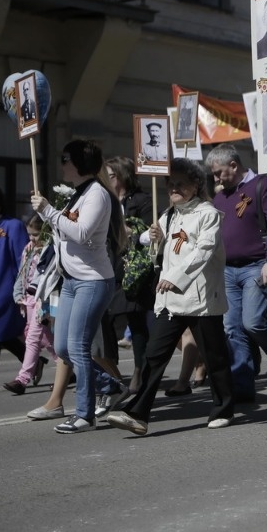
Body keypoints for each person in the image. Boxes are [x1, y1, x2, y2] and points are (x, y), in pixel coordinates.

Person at [107, 159, 235, 435]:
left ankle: (223, 408)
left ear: (196, 185)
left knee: (214, 356)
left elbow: (204, 251)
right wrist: (153, 237)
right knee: (154, 355)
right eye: (170, 184)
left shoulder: (208, 214)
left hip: (201, 298)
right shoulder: (168, 214)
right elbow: (154, 248)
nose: (174, 189)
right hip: (170, 299)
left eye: (180, 184)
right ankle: (138, 413)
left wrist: (175, 277)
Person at [30, 140, 125, 433]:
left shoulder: (97, 194)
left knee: (79, 347)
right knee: (62, 347)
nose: (62, 164)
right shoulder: (78, 194)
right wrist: (47, 215)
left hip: (92, 281)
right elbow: (64, 232)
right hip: (71, 280)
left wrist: (48, 211)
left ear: (81, 163)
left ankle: (84, 414)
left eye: (66, 159)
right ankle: (110, 385)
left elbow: (82, 233)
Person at [206, 143, 267, 402]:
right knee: (232, 329)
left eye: (218, 173)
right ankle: (242, 386)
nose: (216, 179)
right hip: (227, 271)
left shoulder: (262, 185)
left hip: (256, 266)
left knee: (253, 323)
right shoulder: (220, 198)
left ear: (233, 165)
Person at [102, 156, 154, 396]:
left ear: (122, 176)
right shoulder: (104, 199)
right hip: (108, 265)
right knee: (105, 319)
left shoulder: (142, 200)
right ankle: (111, 369)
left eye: (111, 175)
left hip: (133, 269)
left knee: (136, 320)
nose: (106, 179)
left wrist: (130, 230)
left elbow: (150, 231)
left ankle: (139, 370)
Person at [3, 215, 54, 394]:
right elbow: (22, 272)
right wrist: (18, 294)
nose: (32, 238)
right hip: (29, 299)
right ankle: (70, 368)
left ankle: (22, 380)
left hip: (43, 299)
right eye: (29, 235)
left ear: (46, 233)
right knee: (46, 338)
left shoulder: (50, 250)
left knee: (33, 337)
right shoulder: (29, 249)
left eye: (35, 235)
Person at [0, 187, 29, 392]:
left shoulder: (12, 226)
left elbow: (23, 260)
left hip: (4, 290)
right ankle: (34, 363)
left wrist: (23, 289)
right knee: (1, 335)